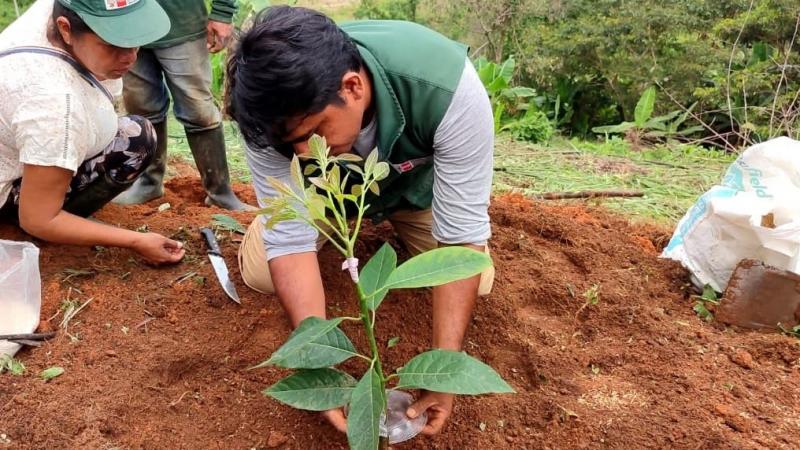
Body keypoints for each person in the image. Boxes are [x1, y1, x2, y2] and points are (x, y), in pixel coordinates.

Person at [227, 6, 495, 435]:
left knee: (474, 277)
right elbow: (290, 242)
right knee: (262, 273)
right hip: (327, 201)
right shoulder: (267, 116)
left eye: (312, 133)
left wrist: (442, 374)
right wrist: (322, 371)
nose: (303, 154)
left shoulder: (446, 88)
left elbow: (462, 235)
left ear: (352, 87)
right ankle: (322, 236)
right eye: (291, 144)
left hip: (410, 192)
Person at [0, 0, 184, 266]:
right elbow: (37, 219)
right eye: (113, 44)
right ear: (66, 29)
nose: (131, 57)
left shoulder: (61, 9)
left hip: (20, 143)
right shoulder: (54, 106)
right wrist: (135, 240)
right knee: (136, 141)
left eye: (134, 41)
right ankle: (48, 220)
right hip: (10, 190)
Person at [113, 0, 251, 210]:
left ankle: (220, 192)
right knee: (141, 105)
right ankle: (149, 183)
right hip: (125, 24)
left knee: (198, 110)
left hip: (181, 22)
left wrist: (222, 12)